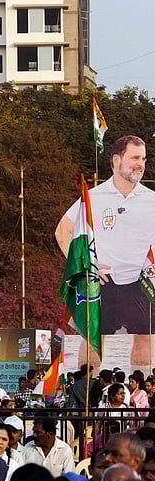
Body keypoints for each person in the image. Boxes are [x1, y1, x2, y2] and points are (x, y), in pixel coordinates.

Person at [57, 135, 155, 334]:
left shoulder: (151, 200)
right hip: (103, 283)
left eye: (143, 159)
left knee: (146, 344)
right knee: (92, 345)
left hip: (141, 284)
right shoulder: (93, 197)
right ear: (117, 160)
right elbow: (62, 231)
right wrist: (82, 265)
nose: (141, 164)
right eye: (135, 158)